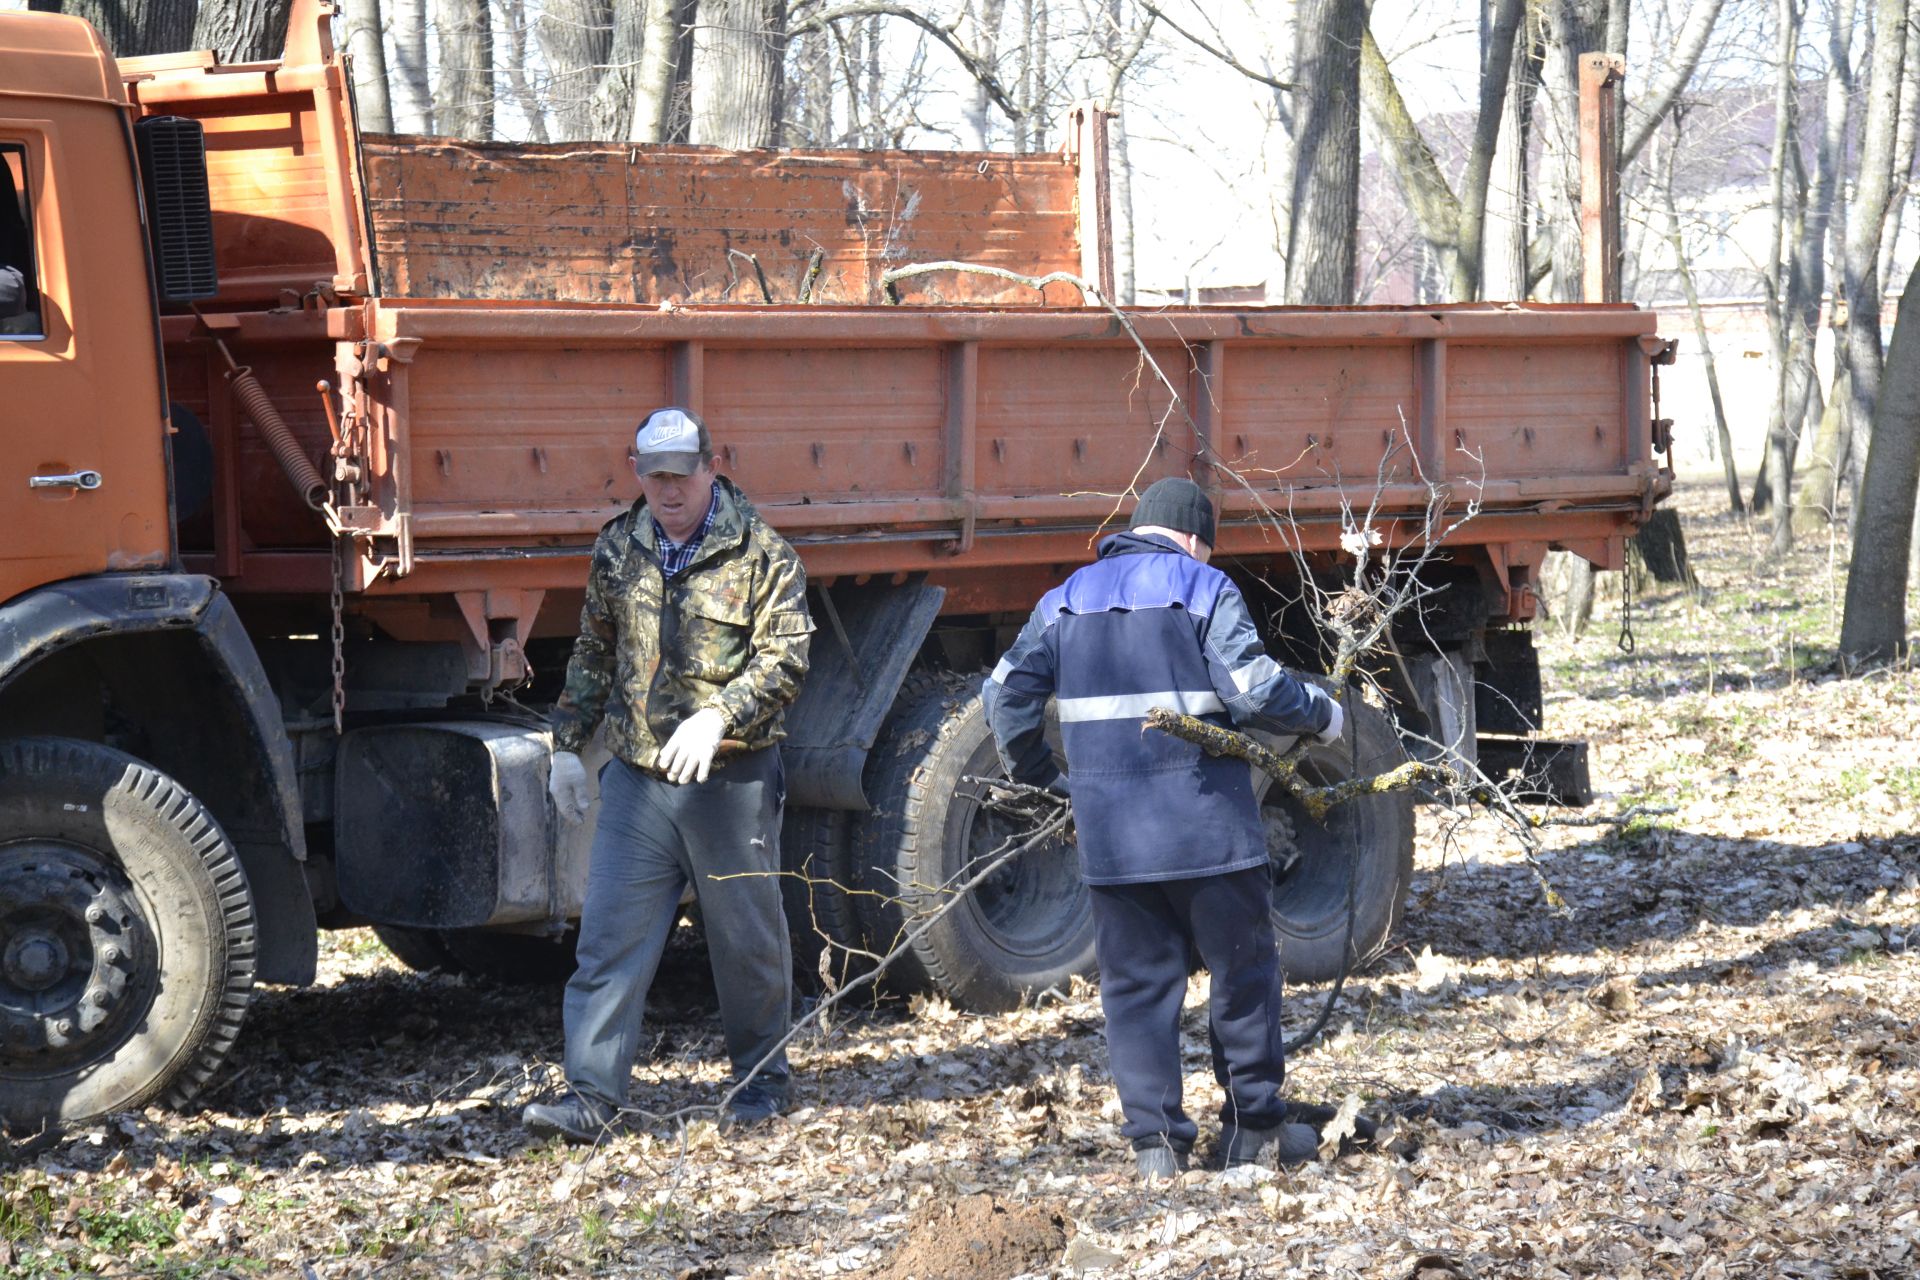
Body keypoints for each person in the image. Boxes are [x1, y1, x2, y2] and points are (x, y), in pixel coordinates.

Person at [982, 476, 1347, 1182]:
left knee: (1137, 989)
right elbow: (1255, 689)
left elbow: (1004, 697)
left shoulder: (1064, 600)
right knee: (1242, 977)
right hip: (1210, 832)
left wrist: (1047, 778)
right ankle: (1252, 1132)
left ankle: (1156, 1148)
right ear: (1194, 539)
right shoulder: (1203, 588)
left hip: (1114, 841)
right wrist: (1323, 716)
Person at [524, 406, 814, 1142]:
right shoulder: (619, 548)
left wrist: (723, 715)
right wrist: (566, 745)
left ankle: (760, 1084)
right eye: (655, 476)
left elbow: (786, 660)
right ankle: (590, 1098)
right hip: (640, 780)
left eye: (681, 474)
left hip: (731, 780)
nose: (669, 490)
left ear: (710, 468)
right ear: (638, 474)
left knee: (746, 944)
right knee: (609, 941)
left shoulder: (761, 554)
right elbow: (593, 651)